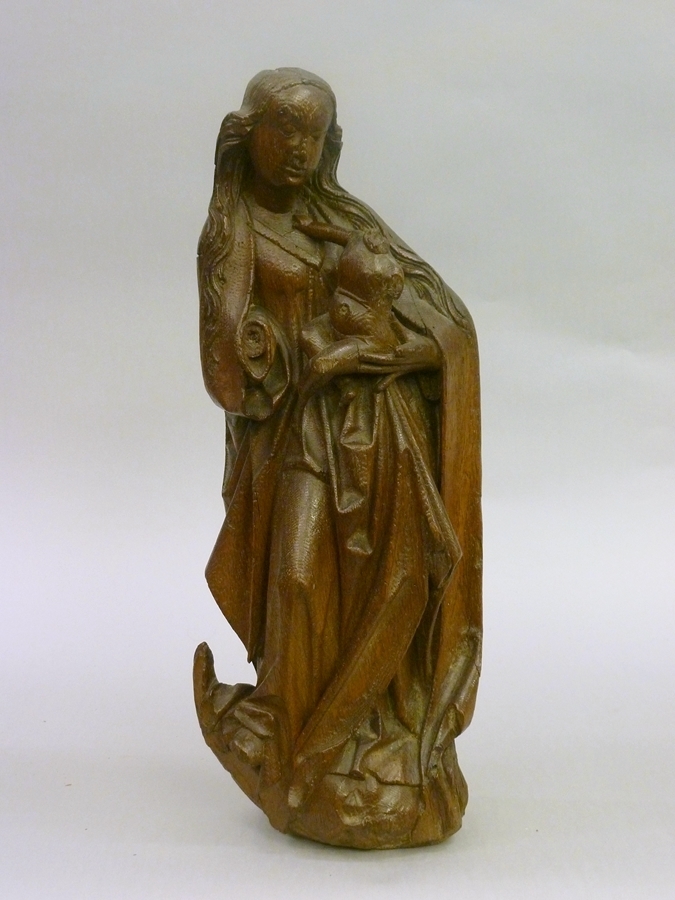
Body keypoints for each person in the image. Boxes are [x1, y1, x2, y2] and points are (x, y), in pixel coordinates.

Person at [193, 68, 482, 849]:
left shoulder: (345, 218)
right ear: (247, 132)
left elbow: (446, 323)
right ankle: (291, 734)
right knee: (295, 579)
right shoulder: (233, 233)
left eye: (313, 134)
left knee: (385, 587)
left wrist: (383, 356)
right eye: (283, 129)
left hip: (381, 438)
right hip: (296, 440)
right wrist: (278, 352)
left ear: (331, 144)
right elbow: (228, 375)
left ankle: (376, 735)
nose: (298, 149)